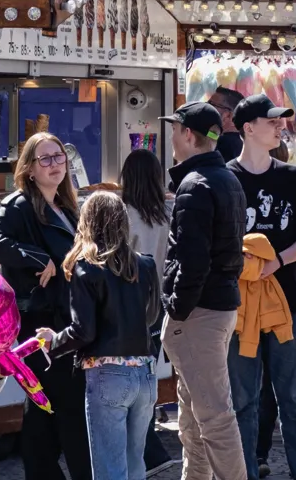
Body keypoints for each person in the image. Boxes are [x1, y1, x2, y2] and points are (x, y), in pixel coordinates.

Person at [0, 131, 92, 480]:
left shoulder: (69, 206)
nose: (55, 165)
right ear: (29, 168)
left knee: (45, 410)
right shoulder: (20, 204)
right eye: (45, 159)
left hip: (67, 319)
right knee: (67, 409)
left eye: (59, 157)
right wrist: (37, 257)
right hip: (40, 322)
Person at [34, 192, 164, 480]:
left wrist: (53, 341)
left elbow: (83, 331)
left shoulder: (85, 267)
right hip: (145, 372)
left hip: (107, 374)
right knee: (134, 466)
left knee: (109, 471)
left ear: (87, 222)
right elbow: (153, 316)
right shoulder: (145, 264)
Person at [225, 94, 296, 480]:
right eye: (272, 121)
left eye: (282, 121)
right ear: (248, 128)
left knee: (294, 399)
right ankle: (246, 472)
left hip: (287, 303)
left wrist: (276, 261)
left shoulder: (293, 177)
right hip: (236, 307)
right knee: (243, 400)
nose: (281, 126)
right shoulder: (225, 179)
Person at [160, 101, 250, 480]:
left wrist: (178, 310)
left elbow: (193, 262)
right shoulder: (226, 178)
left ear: (188, 135)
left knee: (212, 415)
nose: (172, 138)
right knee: (195, 416)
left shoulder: (196, 186)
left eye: (175, 130)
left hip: (200, 313)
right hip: (216, 308)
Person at [116, 149, 173, 474]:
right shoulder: (166, 213)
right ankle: (148, 453)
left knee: (125, 384)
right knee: (147, 382)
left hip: (131, 307)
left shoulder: (123, 215)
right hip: (160, 306)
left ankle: (144, 454)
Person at [209, 87, 246, 163]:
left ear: (228, 115)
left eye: (211, 104)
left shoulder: (224, 144)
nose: (206, 107)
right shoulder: (244, 141)